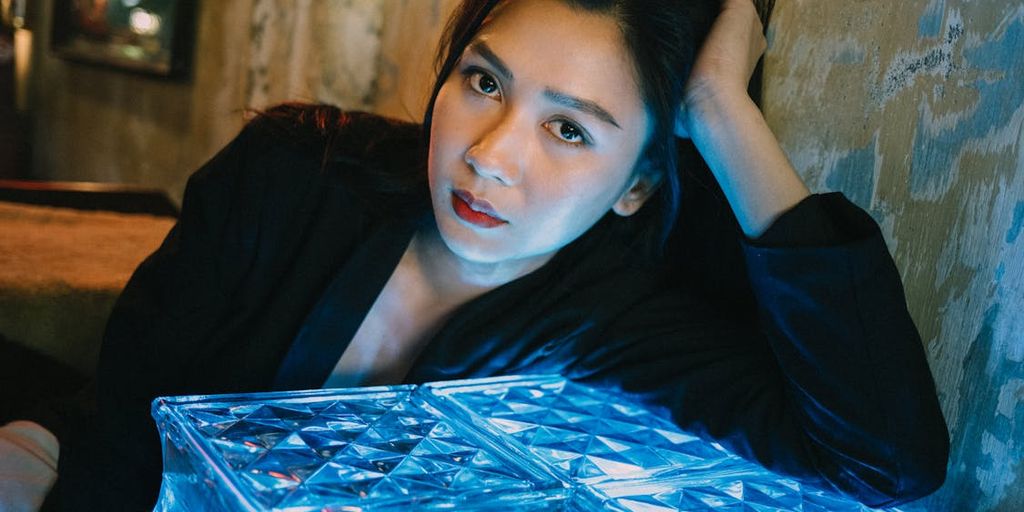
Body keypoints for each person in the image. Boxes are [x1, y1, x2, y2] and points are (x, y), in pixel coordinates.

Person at [1, 0, 949, 509]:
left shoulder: (614, 322)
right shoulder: (287, 178)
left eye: (570, 130)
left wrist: (721, 111)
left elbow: (883, 462)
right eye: (484, 80)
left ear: (639, 187)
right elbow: (127, 425)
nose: (490, 155)